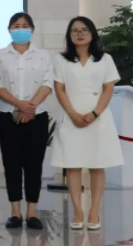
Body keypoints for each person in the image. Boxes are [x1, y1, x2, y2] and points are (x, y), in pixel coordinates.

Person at [51, 16, 123, 231]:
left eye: (84, 30)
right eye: (75, 30)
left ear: (92, 33)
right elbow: (59, 89)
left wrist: (95, 113)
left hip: (97, 118)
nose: (80, 34)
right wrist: (73, 114)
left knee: (97, 165)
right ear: (69, 35)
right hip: (71, 117)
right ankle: (78, 211)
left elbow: (108, 88)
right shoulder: (61, 60)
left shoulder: (105, 59)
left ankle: (93, 211)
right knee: (73, 165)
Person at [0, 12, 53, 230]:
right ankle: (15, 212)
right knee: (11, 164)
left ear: (32, 30)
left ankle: (32, 212)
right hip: (9, 116)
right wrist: (20, 104)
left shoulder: (43, 55)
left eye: (25, 26)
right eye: (16, 26)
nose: (20, 29)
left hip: (37, 116)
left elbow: (47, 83)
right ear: (9, 30)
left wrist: (30, 106)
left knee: (34, 164)